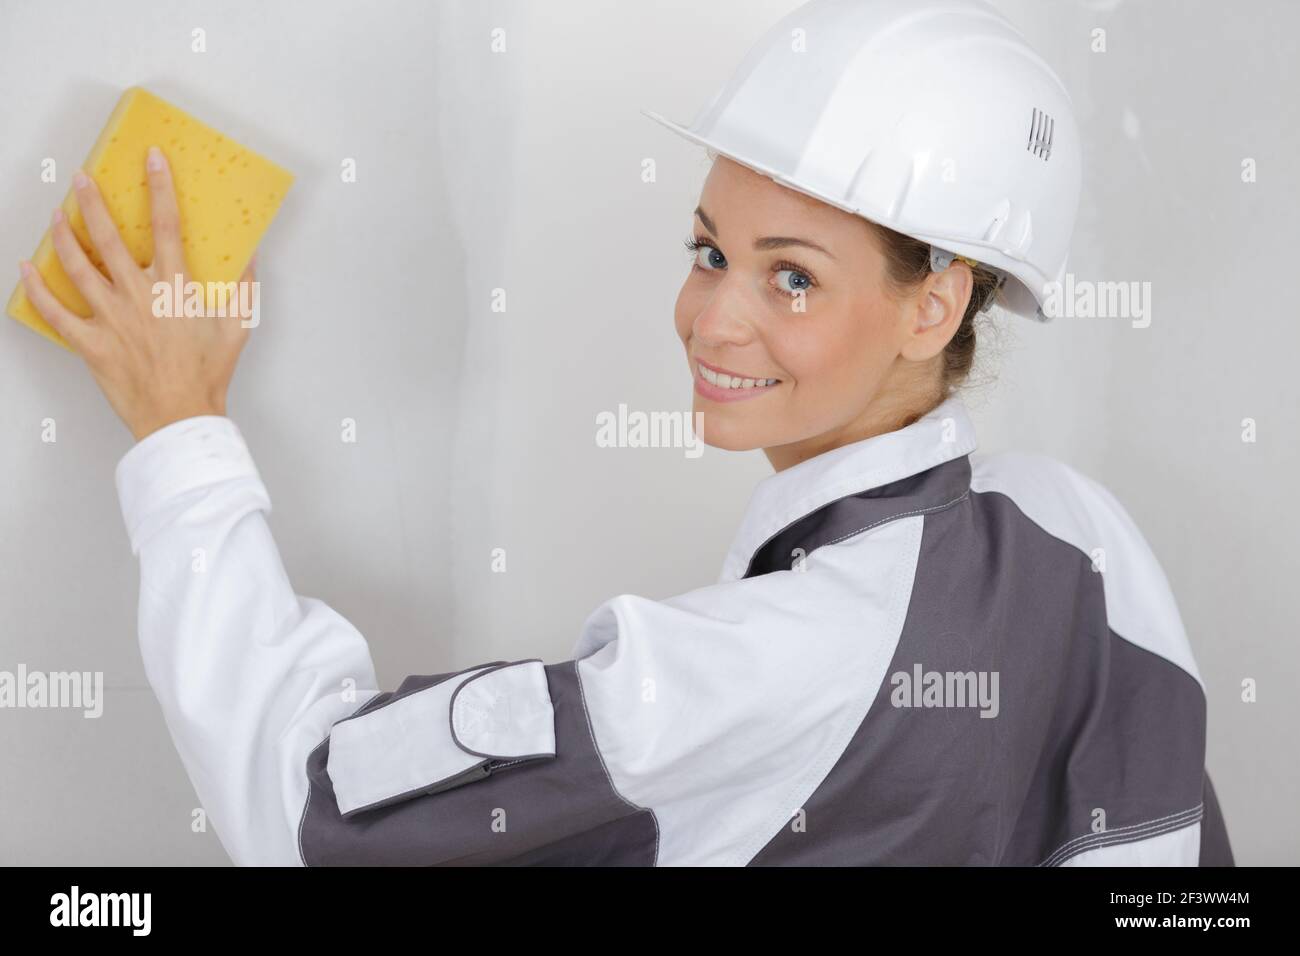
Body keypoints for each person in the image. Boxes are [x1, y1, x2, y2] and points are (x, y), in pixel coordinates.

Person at [19, 0, 1232, 866]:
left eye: (791, 277)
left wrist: (179, 433)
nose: (710, 317)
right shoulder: (1085, 537)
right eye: (709, 250)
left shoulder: (740, 669)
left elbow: (308, 818)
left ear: (936, 303)